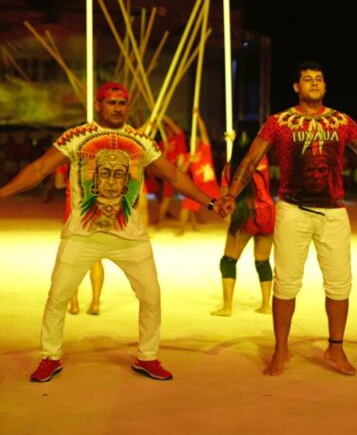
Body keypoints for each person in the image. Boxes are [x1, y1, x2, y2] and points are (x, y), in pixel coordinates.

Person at [0, 82, 224, 382]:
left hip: (129, 237)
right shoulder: (77, 136)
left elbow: (172, 175)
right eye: (111, 102)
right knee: (57, 297)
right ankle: (50, 357)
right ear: (98, 105)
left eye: (122, 103)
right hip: (82, 234)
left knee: (151, 297)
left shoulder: (140, 141)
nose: (117, 108)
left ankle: (147, 356)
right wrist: (3, 193)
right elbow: (40, 169)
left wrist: (210, 201)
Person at [220, 61, 357, 376]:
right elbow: (252, 159)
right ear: (296, 87)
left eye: (319, 78)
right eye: (307, 79)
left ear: (325, 86)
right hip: (293, 210)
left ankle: (336, 347)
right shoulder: (279, 122)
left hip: (334, 212)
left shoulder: (342, 121)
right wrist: (231, 193)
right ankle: (281, 349)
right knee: (286, 282)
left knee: (339, 283)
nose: (314, 82)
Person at [212, 123, 275, 316]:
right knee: (263, 261)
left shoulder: (230, 169)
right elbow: (252, 149)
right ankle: (266, 305)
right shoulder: (262, 161)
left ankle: (227, 307)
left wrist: (227, 217)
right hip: (267, 212)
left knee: (228, 260)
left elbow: (224, 196)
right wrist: (236, 139)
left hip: (245, 214)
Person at [54, 163, 105, 315]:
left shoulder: (65, 158)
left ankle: (74, 304)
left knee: (70, 261)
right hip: (94, 212)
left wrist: (69, 184)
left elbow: (58, 184)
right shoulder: (98, 156)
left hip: (72, 214)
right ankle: (95, 303)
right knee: (96, 260)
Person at [177, 115, 221, 236]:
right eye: (192, 140)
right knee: (187, 205)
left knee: (221, 205)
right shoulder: (188, 155)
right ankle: (181, 230)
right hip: (197, 184)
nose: (194, 141)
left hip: (210, 183)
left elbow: (203, 132)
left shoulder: (205, 149)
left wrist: (198, 118)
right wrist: (188, 160)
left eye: (196, 140)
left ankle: (232, 227)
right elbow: (181, 170)